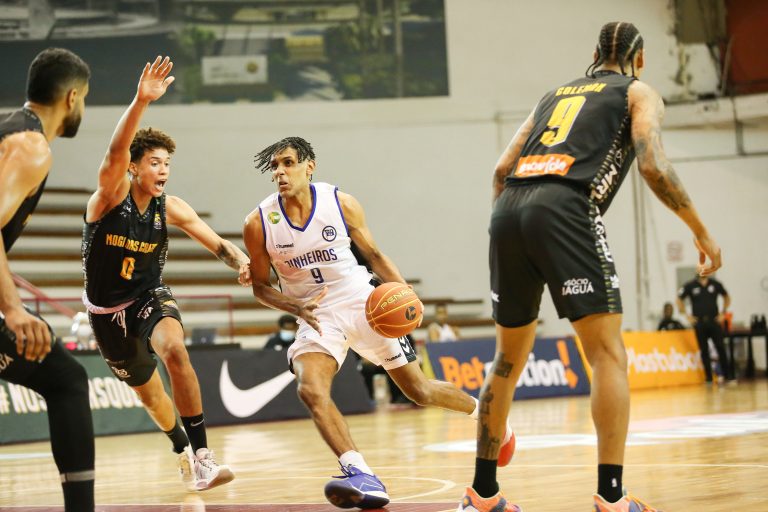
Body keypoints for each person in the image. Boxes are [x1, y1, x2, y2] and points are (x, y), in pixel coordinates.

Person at [457, 22, 722, 512]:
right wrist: (700, 230)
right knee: (607, 355)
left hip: (508, 209)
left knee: (506, 360)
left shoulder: (553, 95)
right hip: (566, 207)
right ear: (639, 59)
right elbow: (652, 165)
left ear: (594, 54)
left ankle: (482, 494)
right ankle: (612, 497)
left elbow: (500, 170)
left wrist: (510, 234)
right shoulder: (638, 91)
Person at [243, 136, 514, 510]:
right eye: (274, 166)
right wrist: (294, 305)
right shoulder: (259, 222)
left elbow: (373, 255)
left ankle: (486, 415)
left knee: (419, 391)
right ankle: (360, 472)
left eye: (288, 163)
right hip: (315, 313)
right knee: (310, 389)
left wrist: (406, 293)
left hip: (363, 301)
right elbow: (260, 287)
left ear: (309, 166)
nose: (279, 172)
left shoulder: (341, 204)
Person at [81, 56, 250, 491]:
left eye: (167, 164)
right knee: (152, 396)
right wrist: (141, 101)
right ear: (134, 167)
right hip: (106, 314)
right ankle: (181, 449)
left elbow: (218, 244)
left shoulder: (169, 207)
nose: (163, 171)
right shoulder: (107, 200)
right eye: (155, 163)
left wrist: (244, 264)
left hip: (148, 296)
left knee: (175, 349)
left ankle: (205, 457)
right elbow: (114, 153)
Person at [0, 47, 95, 511]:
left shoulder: (10, 131)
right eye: (85, 99)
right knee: (66, 380)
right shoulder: (30, 146)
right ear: (72, 97)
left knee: (64, 377)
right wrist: (13, 309)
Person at [677, 274, 733, 383]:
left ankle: (727, 375)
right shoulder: (691, 285)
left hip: (714, 321)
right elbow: (679, 299)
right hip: (700, 322)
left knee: (720, 347)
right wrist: (687, 316)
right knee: (704, 350)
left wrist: (723, 313)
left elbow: (726, 297)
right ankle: (709, 377)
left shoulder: (715, 284)